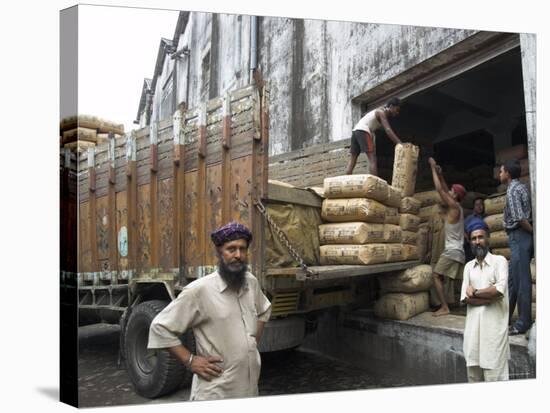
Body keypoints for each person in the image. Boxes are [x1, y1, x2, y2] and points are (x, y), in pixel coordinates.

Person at [147, 222, 272, 401]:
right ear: (219, 252)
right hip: (216, 391)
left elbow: (264, 310)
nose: (238, 255)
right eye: (231, 249)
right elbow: (160, 327)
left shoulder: (250, 282)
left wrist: (251, 343)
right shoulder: (199, 290)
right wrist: (190, 361)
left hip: (249, 388)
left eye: (243, 249)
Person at [461, 217, 510, 382]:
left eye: (480, 237)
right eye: (474, 239)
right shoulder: (468, 267)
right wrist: (488, 297)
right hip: (473, 337)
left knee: (494, 382)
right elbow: (465, 300)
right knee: (474, 381)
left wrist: (474, 292)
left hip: (493, 337)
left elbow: (498, 291)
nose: (477, 242)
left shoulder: (500, 262)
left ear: (488, 238)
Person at [428, 157, 467, 316]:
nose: (448, 191)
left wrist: (432, 168)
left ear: (455, 196)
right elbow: (444, 188)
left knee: (436, 275)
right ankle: (465, 303)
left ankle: (444, 306)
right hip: (457, 251)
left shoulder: (454, 207)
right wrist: (441, 174)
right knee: (458, 280)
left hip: (452, 250)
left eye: (452, 191)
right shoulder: (458, 207)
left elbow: (439, 190)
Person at [499, 159, 533, 335]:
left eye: (501, 171)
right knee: (512, 281)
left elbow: (520, 217)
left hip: (519, 235)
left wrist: (532, 232)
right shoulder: (522, 186)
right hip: (519, 237)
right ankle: (504, 319)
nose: (500, 174)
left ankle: (522, 323)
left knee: (521, 282)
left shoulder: (512, 190)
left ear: (508, 174)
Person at [345, 97, 403, 176]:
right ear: (391, 106)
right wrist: (400, 143)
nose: (397, 113)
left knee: (353, 160)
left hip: (356, 131)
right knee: (373, 159)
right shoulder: (381, 112)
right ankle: (374, 184)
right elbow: (388, 130)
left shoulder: (380, 112)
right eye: (397, 110)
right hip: (363, 130)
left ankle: (347, 180)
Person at [464, 197, 485, 262]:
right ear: (474, 207)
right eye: (477, 205)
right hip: (471, 246)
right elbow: (463, 230)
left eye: (481, 204)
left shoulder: (487, 217)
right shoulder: (470, 218)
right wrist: (469, 240)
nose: (479, 207)